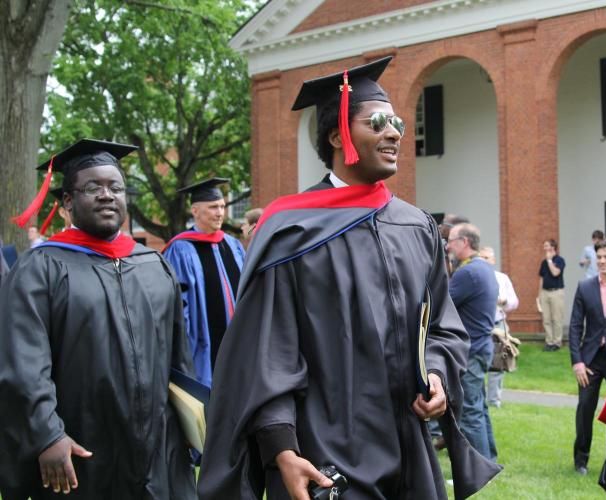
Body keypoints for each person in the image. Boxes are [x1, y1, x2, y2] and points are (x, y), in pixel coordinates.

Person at [198, 56, 500, 500]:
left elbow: (443, 327)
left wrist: (436, 375)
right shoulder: (291, 230)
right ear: (338, 135)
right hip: (322, 453)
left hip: (409, 448)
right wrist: (282, 447)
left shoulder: (415, 226)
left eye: (395, 122)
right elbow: (268, 354)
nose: (394, 132)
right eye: (377, 122)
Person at [0, 139, 196, 499]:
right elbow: (23, 364)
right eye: (93, 187)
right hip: (80, 451)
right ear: (68, 203)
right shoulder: (40, 268)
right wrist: (47, 434)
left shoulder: (154, 265)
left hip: (157, 447)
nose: (107, 195)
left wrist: (191, 425)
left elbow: (178, 361)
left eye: (115, 187)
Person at [162, 178, 246, 386]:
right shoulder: (180, 249)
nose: (219, 213)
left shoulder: (232, 245)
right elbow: (180, 307)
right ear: (195, 210)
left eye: (222, 207)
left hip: (238, 341)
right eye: (213, 207)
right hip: (202, 345)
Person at [568, 237, 606, 475]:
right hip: (591, 359)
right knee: (585, 409)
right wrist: (577, 362)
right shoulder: (585, 287)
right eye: (600, 257)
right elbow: (575, 327)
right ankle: (580, 461)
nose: (602, 261)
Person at [448, 224, 500, 461]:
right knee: (479, 407)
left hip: (470, 350)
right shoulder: (484, 268)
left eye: (451, 240)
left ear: (465, 242)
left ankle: (479, 467)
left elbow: (442, 303)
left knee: (470, 410)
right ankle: (489, 460)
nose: (448, 246)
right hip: (481, 348)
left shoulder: (468, 272)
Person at [478, 246, 519, 408]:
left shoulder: (502, 278)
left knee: (498, 363)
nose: (485, 261)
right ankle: (478, 399)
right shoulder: (475, 277)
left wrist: (504, 302)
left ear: (493, 260)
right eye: (482, 258)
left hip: (499, 324)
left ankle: (494, 400)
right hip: (480, 325)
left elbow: (514, 302)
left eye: (487, 258)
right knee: (478, 362)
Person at [538, 239, 566, 351]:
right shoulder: (543, 262)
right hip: (545, 292)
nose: (544, 248)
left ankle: (557, 343)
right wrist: (539, 294)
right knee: (546, 319)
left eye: (546, 246)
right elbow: (541, 278)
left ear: (553, 247)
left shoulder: (560, 260)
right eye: (544, 245)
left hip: (556, 292)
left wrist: (550, 261)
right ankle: (549, 342)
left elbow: (555, 273)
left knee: (557, 318)